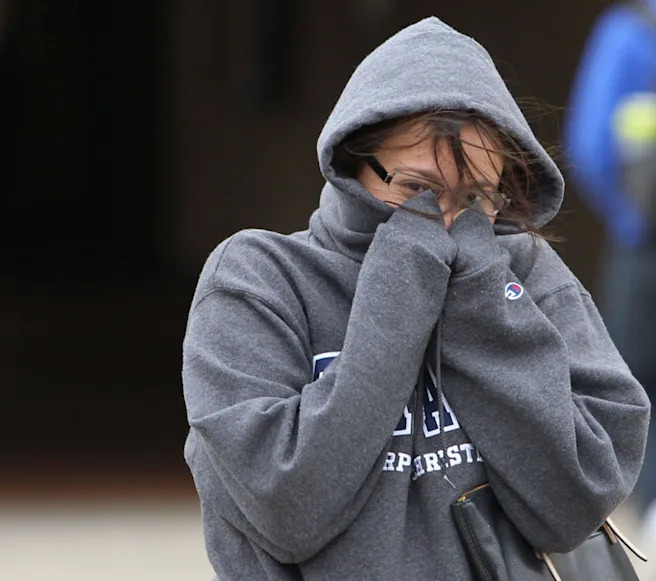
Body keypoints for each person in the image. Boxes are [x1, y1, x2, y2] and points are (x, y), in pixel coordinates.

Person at [181, 16, 650, 579]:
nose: (445, 220)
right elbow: (287, 509)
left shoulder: (523, 271)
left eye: (475, 195)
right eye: (417, 189)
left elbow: (577, 502)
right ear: (354, 164)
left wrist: (482, 300)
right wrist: (400, 290)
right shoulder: (259, 280)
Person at [565, 0, 656, 534]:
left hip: (643, 246)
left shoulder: (630, 32)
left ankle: (648, 512)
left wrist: (630, 217)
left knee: (637, 380)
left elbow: (590, 144)